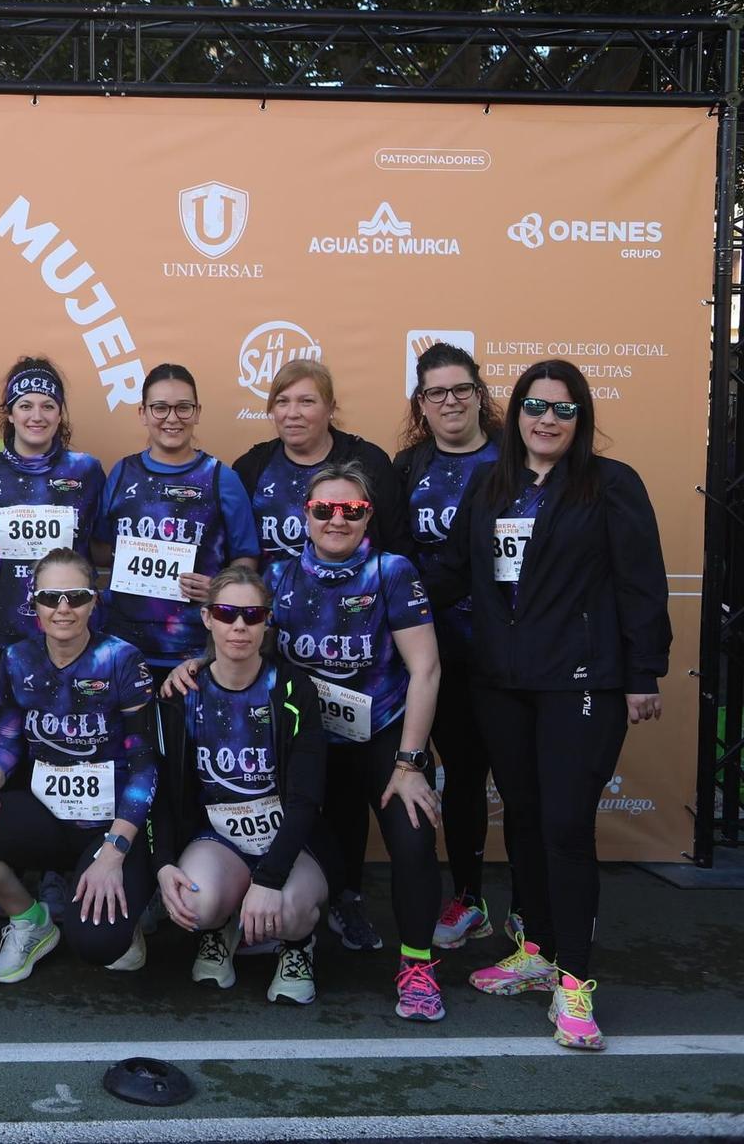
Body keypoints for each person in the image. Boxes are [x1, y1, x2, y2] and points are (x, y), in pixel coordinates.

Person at [429, 360, 669, 1050]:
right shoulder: (489, 483)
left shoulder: (611, 484)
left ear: (581, 418)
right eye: (535, 406)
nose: (547, 420)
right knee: (527, 817)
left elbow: (641, 581)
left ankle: (576, 986)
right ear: (517, 412)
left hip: (582, 683)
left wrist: (643, 671)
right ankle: (536, 947)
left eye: (563, 410)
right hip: (501, 682)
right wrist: (378, 583)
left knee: (565, 825)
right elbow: (453, 571)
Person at [167, 464, 445, 1020]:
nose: (336, 519)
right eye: (324, 510)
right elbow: (245, 637)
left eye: (351, 510)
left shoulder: (391, 571)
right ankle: (317, 921)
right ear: (305, 517)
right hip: (307, 741)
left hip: (380, 735)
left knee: (412, 838)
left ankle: (417, 965)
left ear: (368, 516)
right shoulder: (282, 575)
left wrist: (412, 761)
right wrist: (198, 662)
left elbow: (427, 668)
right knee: (325, 846)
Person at [0, 549, 158, 980]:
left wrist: (114, 851)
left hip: (110, 823)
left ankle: (123, 906)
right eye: (51, 598)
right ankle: (31, 920)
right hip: (47, 815)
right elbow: (6, 738)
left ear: (94, 601)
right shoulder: (17, 658)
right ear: (34, 603)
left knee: (100, 945)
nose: (63, 608)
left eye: (76, 596)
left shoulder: (123, 659)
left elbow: (145, 764)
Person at [151, 566, 328, 1004]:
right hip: (219, 836)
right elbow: (157, 785)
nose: (239, 626)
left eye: (252, 615)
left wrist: (268, 879)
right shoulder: (182, 693)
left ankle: (298, 944)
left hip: (287, 837)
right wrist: (163, 861)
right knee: (195, 902)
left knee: (289, 912)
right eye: (227, 613)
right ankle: (220, 928)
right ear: (208, 618)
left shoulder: (291, 688)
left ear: (267, 621)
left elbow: (306, 799)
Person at [393, 343, 503, 949]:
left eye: (461, 389)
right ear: (422, 403)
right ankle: (467, 898)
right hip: (430, 650)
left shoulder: (515, 457)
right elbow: (393, 556)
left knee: (509, 778)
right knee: (457, 776)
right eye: (437, 392)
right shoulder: (407, 467)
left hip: (506, 651)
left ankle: (532, 916)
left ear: (479, 394)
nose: (451, 401)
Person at [0, 357, 106, 744]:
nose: (36, 415)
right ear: (9, 414)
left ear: (60, 414)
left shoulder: (86, 471)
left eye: (47, 405)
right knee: (3, 748)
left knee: (64, 747)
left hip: (69, 635)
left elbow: (103, 544)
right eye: (25, 405)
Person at [95, 363, 260, 677]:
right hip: (123, 646)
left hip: (195, 651)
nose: (172, 418)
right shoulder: (121, 473)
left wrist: (220, 588)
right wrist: (132, 555)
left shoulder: (221, 478)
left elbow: (247, 557)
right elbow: (99, 549)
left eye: (183, 408)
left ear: (197, 412)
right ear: (142, 412)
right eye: (160, 408)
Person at [233, 359, 409, 571]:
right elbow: (235, 553)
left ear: (330, 408)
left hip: (356, 599)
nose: (292, 413)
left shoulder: (369, 462)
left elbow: (398, 549)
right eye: (282, 402)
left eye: (306, 401)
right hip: (270, 600)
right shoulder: (250, 468)